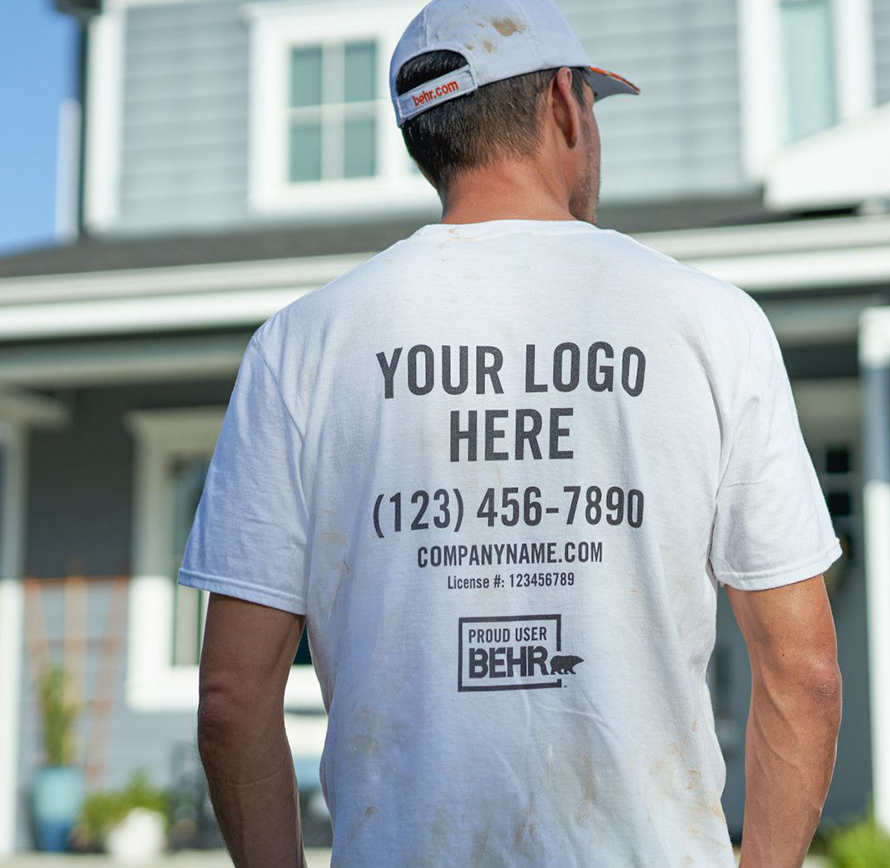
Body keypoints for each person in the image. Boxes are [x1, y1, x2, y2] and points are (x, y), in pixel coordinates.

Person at [179, 0, 844, 865]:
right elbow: (803, 673)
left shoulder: (302, 345)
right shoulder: (712, 324)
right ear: (564, 103)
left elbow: (232, 699)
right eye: (592, 108)